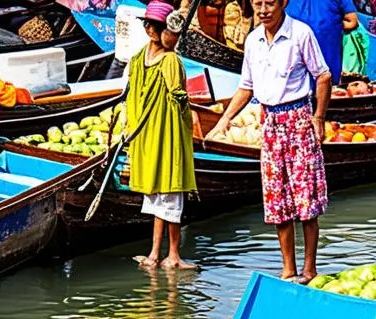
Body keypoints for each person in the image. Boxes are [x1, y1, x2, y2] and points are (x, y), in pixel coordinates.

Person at [206, 0, 331, 282]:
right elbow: (246, 87)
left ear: (283, 3)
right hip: (270, 122)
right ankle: (289, 269)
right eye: (258, 3)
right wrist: (224, 120)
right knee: (278, 200)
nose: (263, 9)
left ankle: (310, 269)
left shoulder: (300, 33)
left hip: (299, 117)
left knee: (306, 199)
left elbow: (323, 76)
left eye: (269, 3)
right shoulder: (252, 41)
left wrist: (319, 117)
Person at [126, 2, 197, 269]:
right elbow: (179, 99)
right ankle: (174, 256)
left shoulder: (136, 60)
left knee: (157, 200)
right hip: (168, 140)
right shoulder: (170, 61)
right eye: (172, 33)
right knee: (171, 198)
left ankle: (155, 254)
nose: (175, 39)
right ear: (154, 31)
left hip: (146, 141)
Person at [286, 0, 358, 84]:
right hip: (325, 60)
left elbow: (352, 22)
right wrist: (333, 24)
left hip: (298, 65)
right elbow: (352, 22)